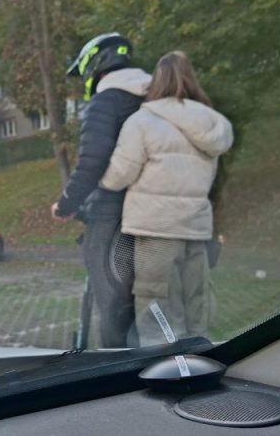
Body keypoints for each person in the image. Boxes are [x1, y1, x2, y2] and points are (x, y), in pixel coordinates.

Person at [99, 51, 234, 346]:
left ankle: (165, 359)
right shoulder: (210, 124)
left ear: (156, 82)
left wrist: (100, 181)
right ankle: (199, 354)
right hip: (195, 227)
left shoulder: (142, 122)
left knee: (155, 300)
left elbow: (120, 174)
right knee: (195, 298)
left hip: (155, 227)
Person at [51, 33, 151, 348]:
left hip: (114, 218)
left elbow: (93, 162)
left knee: (114, 303)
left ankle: (118, 367)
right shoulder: (154, 100)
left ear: (94, 66)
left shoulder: (106, 101)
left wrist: (66, 205)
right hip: (158, 213)